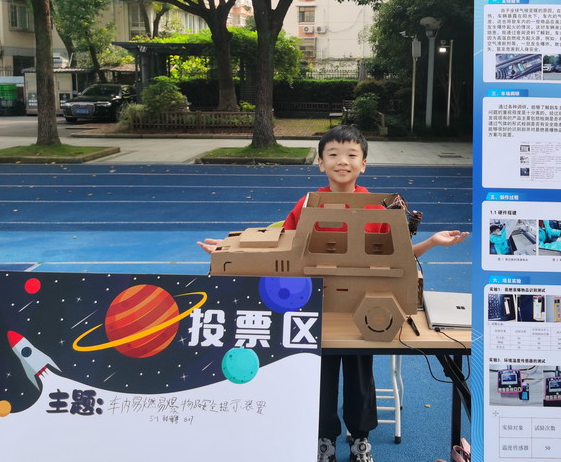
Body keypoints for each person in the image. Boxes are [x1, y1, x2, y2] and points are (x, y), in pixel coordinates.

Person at [199, 124, 468, 462]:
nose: (343, 161)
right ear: (320, 163)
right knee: (320, 375)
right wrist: (232, 250)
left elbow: (399, 256)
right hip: (314, 306)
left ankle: (360, 437)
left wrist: (430, 242)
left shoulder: (378, 208)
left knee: (360, 375)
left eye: (352, 154)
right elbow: (282, 247)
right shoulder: (306, 205)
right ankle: (324, 437)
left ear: (363, 164)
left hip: (361, 303)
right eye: (334, 154)